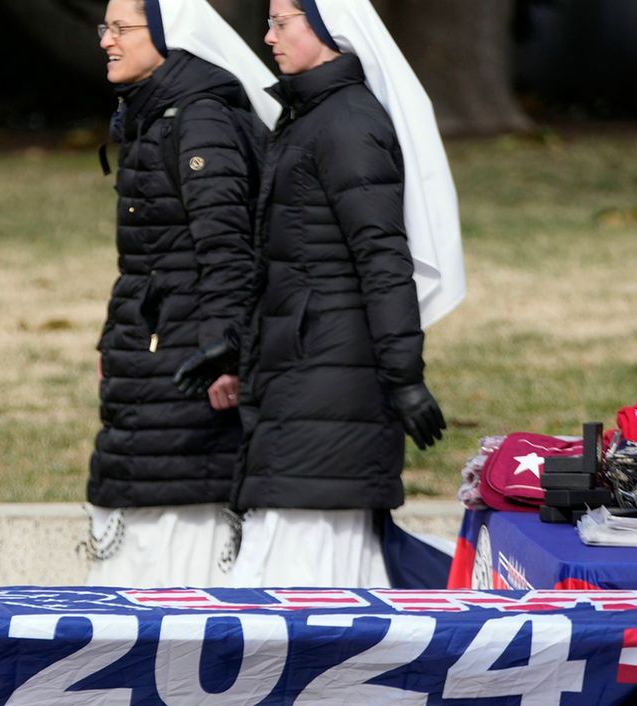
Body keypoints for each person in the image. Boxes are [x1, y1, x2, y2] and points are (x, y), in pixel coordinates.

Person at [187, 0, 462, 587]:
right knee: (296, 560)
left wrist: (404, 377)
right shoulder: (311, 116)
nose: (267, 37)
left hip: (333, 378)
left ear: (329, 28)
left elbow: (384, 260)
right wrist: (236, 345)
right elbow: (295, 264)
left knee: (312, 571)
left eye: (281, 21)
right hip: (305, 371)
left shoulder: (346, 124)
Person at [84, 0, 279, 586]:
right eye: (106, 28)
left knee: (181, 498)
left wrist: (226, 350)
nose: (106, 42)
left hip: (190, 355)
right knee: (150, 482)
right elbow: (150, 260)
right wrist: (111, 341)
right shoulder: (158, 115)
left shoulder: (199, 120)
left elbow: (226, 246)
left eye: (121, 29)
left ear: (169, 36)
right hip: (155, 345)